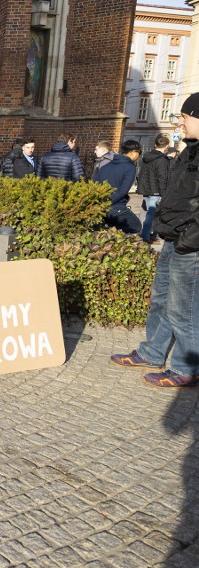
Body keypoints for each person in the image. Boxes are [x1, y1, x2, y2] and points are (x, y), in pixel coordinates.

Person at [109, 92, 199, 389]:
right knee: (161, 299)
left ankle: (187, 367)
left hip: (190, 244)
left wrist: (189, 239)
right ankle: (152, 352)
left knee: (183, 307)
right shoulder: (190, 150)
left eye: (184, 117)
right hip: (174, 238)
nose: (181, 123)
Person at [93, 139, 142, 234]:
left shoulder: (106, 165)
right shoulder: (130, 167)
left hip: (100, 205)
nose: (139, 156)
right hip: (115, 206)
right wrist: (107, 202)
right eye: (139, 152)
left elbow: (94, 183)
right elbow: (123, 191)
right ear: (133, 152)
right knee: (135, 226)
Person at [137, 134, 173, 243]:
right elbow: (162, 178)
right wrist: (163, 194)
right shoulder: (162, 159)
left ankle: (144, 233)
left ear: (155, 144)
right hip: (156, 191)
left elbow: (141, 174)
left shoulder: (147, 157)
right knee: (152, 215)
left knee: (146, 213)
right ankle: (146, 236)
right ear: (166, 146)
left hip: (146, 189)